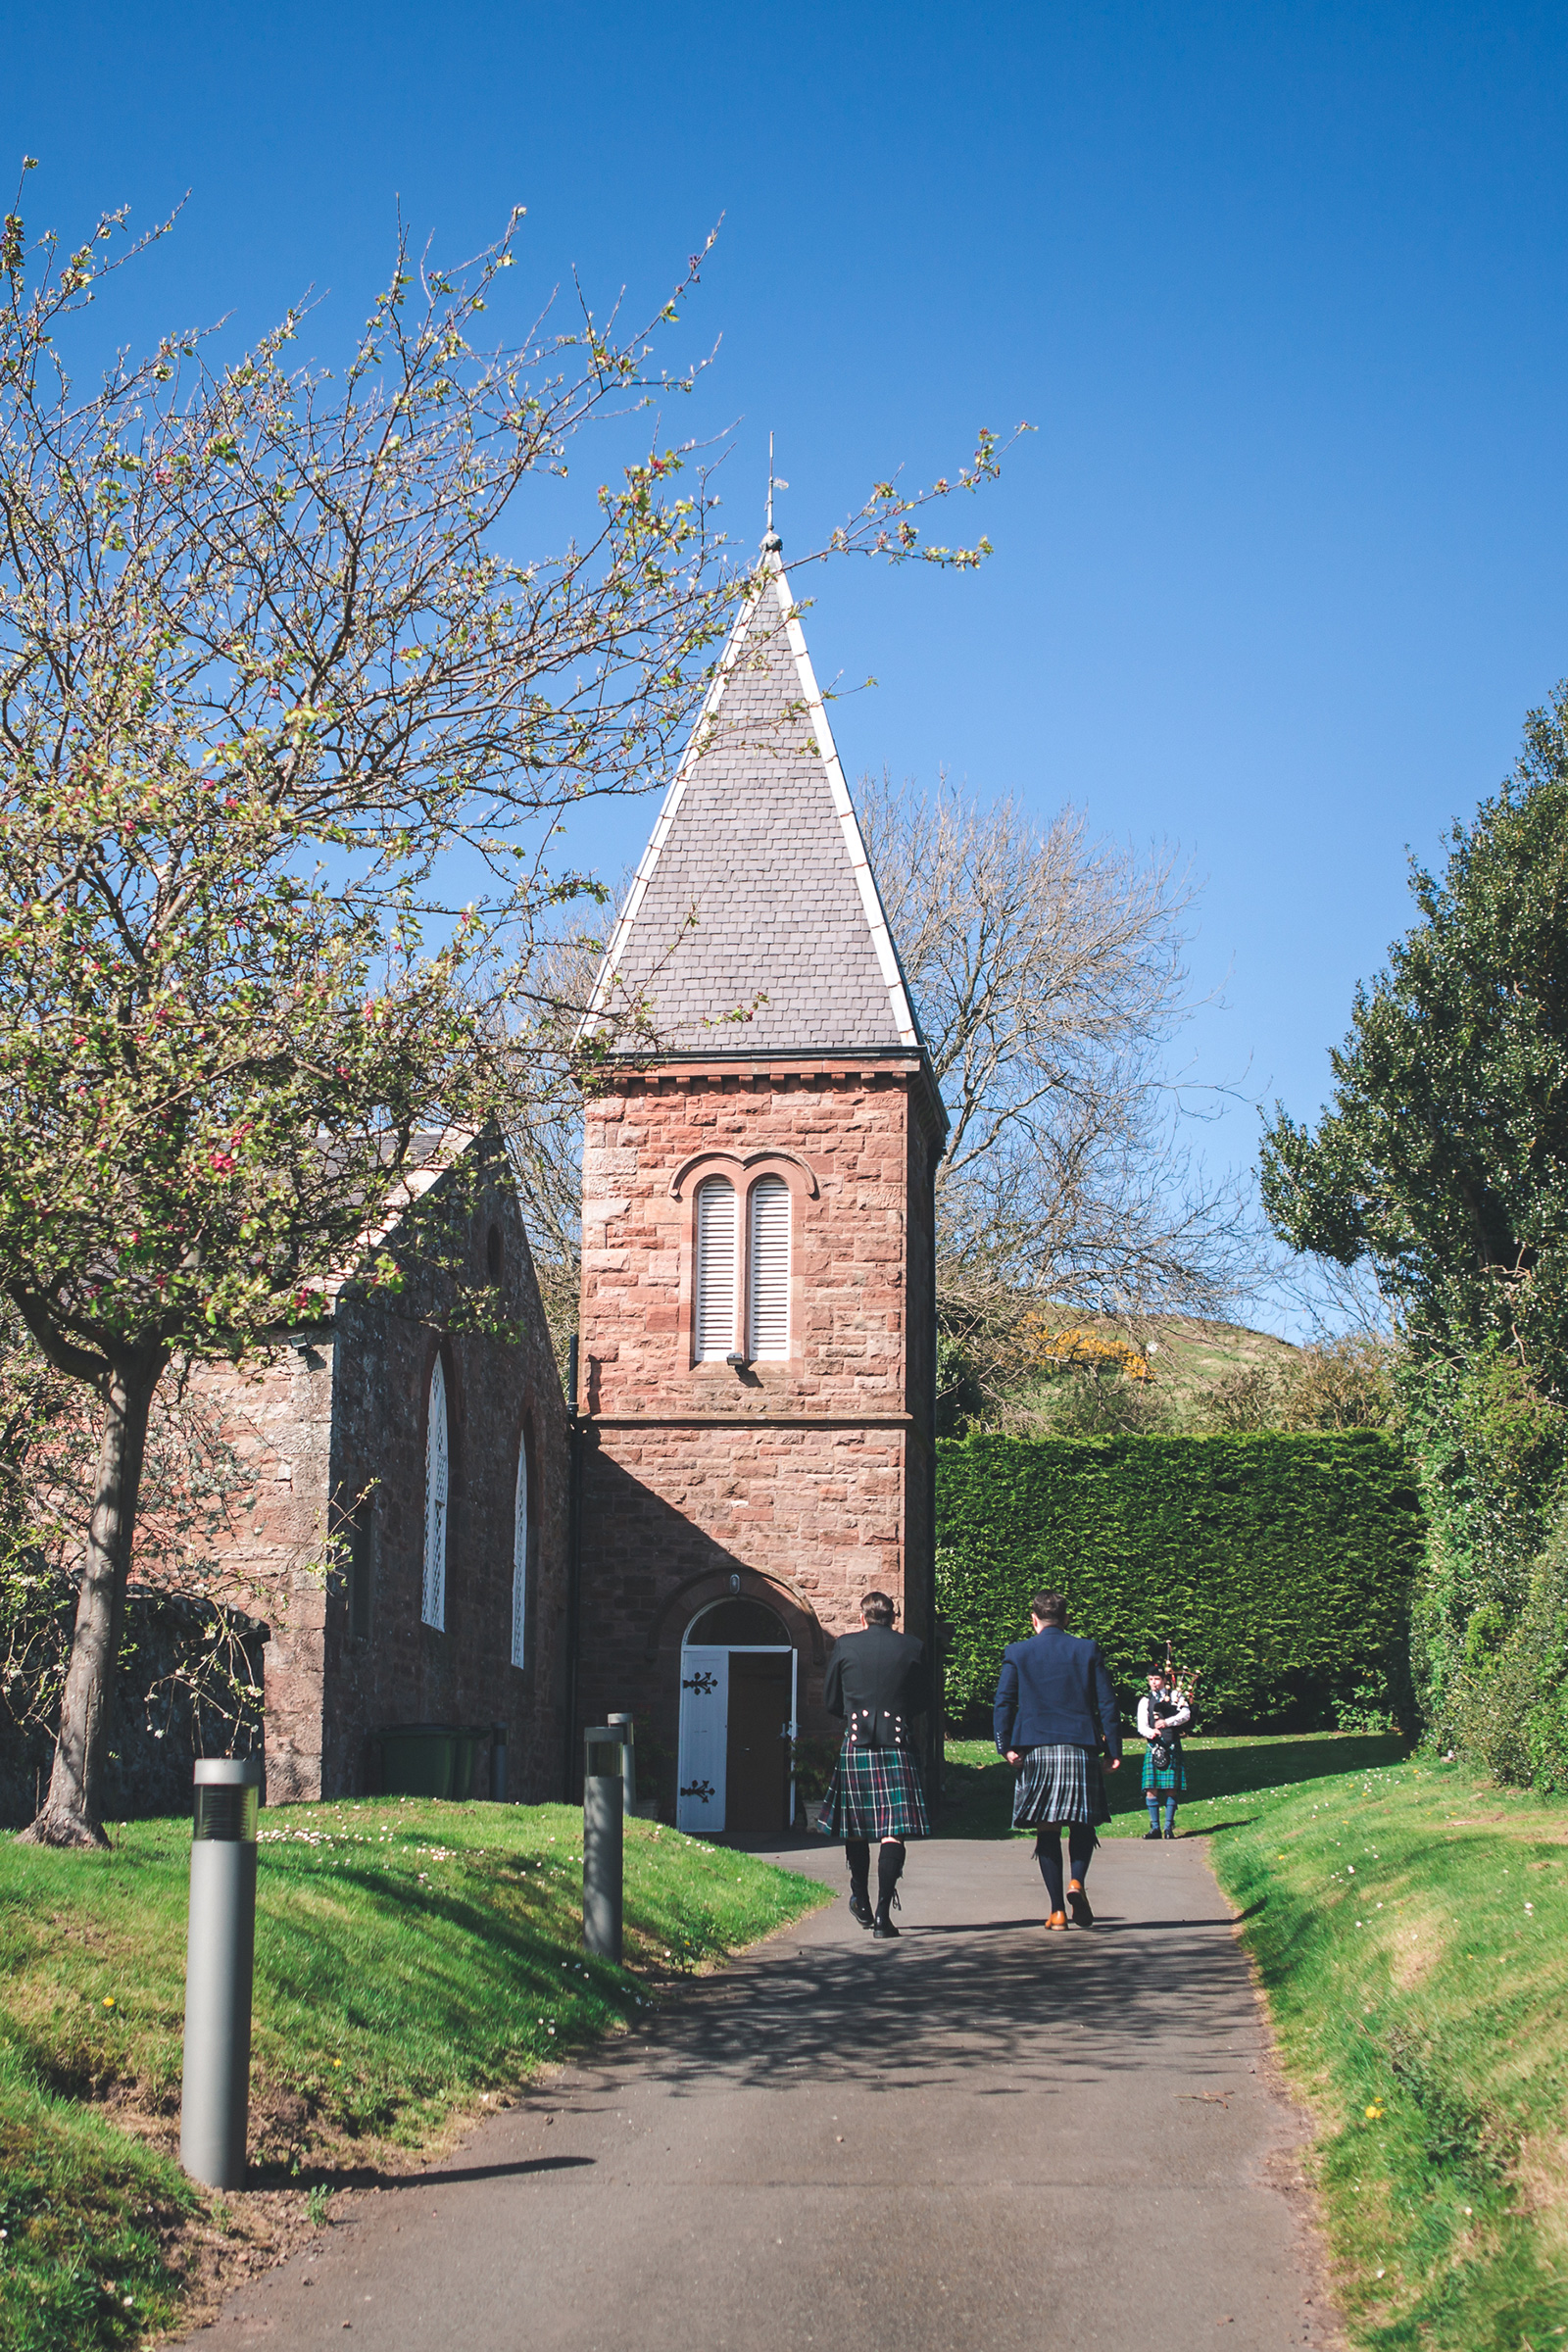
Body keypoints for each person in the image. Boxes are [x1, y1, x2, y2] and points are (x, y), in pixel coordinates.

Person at [993, 1591, 1121, 1930]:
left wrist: (1005, 1746)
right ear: (1066, 1619)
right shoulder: (1087, 1649)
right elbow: (1107, 1703)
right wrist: (1114, 1752)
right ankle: (1076, 1882)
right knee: (1082, 1821)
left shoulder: (1017, 1652)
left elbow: (1003, 1703)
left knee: (1046, 1827)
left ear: (1033, 1620)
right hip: (1080, 1746)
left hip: (1036, 1748)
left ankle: (1057, 1911)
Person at [817, 1591, 930, 1938]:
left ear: (862, 1617)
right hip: (898, 1747)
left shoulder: (845, 1645)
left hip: (857, 1744)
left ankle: (860, 1899)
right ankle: (883, 1915)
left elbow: (830, 1700)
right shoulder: (912, 1647)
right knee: (891, 1831)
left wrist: (853, 1715)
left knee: (856, 1827)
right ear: (893, 1618)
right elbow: (923, 1699)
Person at [1137, 1663, 1190, 1839]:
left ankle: (1168, 1828)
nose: (1153, 1682)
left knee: (1170, 1788)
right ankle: (1155, 1828)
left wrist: (1167, 1723)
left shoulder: (1175, 1696)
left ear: (1164, 1680)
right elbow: (1141, 1725)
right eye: (1151, 1679)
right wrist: (1151, 1732)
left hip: (1171, 1745)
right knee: (1151, 1788)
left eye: (1157, 1679)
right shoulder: (1145, 1701)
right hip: (1154, 1747)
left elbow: (1185, 1714)